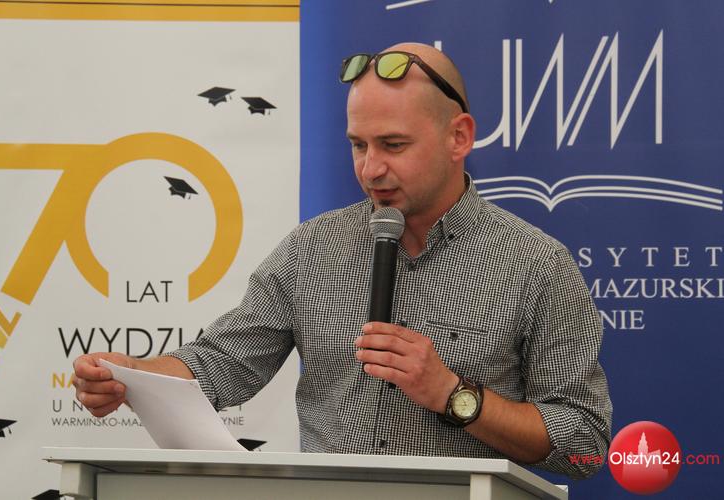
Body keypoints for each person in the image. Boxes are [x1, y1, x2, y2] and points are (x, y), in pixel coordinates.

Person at [72, 42, 611, 479]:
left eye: (393, 145)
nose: (370, 169)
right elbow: (222, 366)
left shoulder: (536, 265)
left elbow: (584, 446)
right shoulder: (312, 249)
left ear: (459, 137)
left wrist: (453, 395)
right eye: (358, 145)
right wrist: (131, 375)